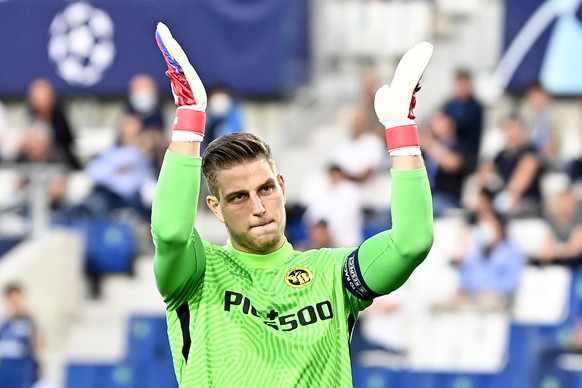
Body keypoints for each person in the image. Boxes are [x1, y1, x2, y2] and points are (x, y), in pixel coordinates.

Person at [151, 23, 434, 387]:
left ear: (282, 187)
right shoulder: (198, 273)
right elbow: (170, 234)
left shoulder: (332, 273)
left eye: (266, 189)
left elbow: (411, 243)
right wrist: (190, 116)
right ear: (215, 207)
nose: (258, 206)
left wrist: (401, 129)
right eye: (238, 197)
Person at [0, 283, 39, 388]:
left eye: (17, 299)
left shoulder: (29, 322)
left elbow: (37, 344)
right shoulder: (4, 324)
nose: (15, 303)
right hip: (5, 375)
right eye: (12, 300)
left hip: (22, 374)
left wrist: (31, 321)